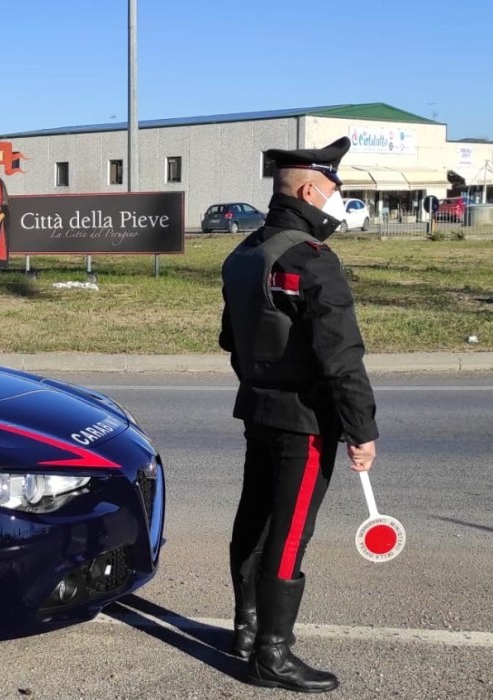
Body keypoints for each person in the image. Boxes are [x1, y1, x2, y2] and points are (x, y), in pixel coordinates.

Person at [218, 136, 378, 694]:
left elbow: (229, 340)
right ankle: (272, 655)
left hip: (258, 409)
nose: (338, 198)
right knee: (287, 536)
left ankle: (246, 629)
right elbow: (342, 359)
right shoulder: (314, 262)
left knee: (255, 521)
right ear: (311, 189)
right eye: (335, 187)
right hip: (306, 423)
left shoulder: (243, 255)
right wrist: (362, 430)